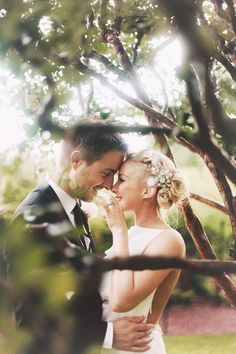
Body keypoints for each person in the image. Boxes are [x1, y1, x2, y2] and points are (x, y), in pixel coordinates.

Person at [10, 129, 153, 354]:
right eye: (106, 172)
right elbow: (30, 315)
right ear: (76, 161)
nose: (109, 184)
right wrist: (109, 334)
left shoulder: (73, 208)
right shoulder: (33, 217)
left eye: (115, 176)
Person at [98, 149, 188, 354]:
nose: (113, 187)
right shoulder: (130, 235)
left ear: (148, 191)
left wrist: (118, 231)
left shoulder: (168, 241)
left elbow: (121, 301)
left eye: (122, 179)